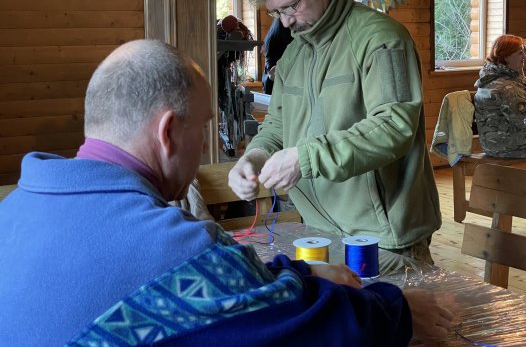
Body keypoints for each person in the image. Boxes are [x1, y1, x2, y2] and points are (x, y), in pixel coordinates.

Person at [0, 40, 453, 346]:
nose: (204, 143)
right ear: (168, 132)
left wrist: (299, 273)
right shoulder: (179, 247)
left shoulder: (15, 207)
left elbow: (226, 290)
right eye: (203, 127)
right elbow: (321, 329)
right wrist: (401, 310)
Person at [228, 0, 442, 273]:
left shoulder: (380, 39)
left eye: (291, 6)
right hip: (319, 232)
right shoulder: (293, 56)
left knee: (403, 324)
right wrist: (254, 158)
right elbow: (277, 127)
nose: (285, 23)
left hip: (382, 238)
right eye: (276, 12)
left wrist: (306, 157)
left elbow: (393, 127)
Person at [474, 34, 526, 161]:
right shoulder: (506, 87)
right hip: (511, 146)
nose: (525, 57)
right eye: (520, 53)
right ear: (506, 56)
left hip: (501, 143)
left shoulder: (499, 79)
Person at [262, 17, 293, 94]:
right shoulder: (281, 39)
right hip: (278, 88)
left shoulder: (273, 36)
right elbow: (272, 72)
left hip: (272, 87)